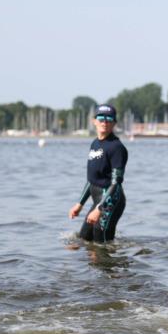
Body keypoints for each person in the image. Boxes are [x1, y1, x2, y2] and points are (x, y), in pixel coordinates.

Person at [68, 104, 128, 243]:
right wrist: (80, 204)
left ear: (114, 123)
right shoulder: (95, 143)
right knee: (83, 238)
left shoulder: (117, 148)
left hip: (111, 201)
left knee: (101, 244)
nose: (104, 122)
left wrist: (100, 209)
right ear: (94, 121)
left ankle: (108, 264)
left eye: (109, 118)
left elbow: (116, 183)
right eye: (101, 118)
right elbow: (92, 179)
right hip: (97, 200)